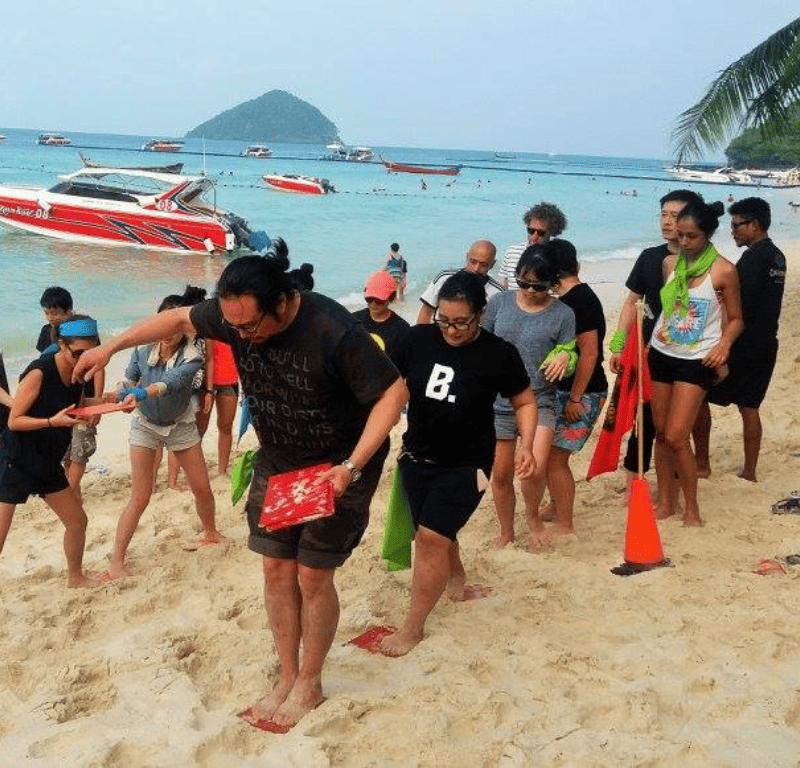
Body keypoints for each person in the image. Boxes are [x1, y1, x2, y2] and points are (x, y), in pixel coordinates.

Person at [73, 240, 407, 729]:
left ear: (285, 302)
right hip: (280, 459)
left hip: (336, 467)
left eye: (251, 326)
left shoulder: (332, 327)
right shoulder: (234, 314)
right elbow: (179, 320)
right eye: (234, 327)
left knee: (313, 575)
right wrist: (110, 347)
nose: (243, 336)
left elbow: (392, 393)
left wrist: (352, 467)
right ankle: (287, 675)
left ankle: (310, 683)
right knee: (276, 569)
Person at [378, 272, 536, 656]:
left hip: (473, 464)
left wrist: (526, 444)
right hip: (417, 456)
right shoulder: (416, 340)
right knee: (431, 531)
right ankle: (457, 580)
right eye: (444, 321)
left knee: (431, 537)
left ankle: (412, 628)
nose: (450, 330)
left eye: (461, 322)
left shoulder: (499, 353)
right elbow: (389, 382)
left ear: (480, 314)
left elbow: (525, 401)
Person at [101, 286, 225, 582]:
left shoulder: (193, 354)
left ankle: (211, 533)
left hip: (181, 426)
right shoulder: (142, 350)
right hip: (145, 425)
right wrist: (120, 394)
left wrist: (138, 393)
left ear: (184, 329)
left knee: (202, 488)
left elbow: (170, 382)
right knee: (140, 496)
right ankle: (116, 562)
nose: (167, 333)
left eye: (174, 327)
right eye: (163, 325)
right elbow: (129, 379)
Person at [648, 200, 743, 526]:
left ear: (708, 235)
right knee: (660, 434)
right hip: (661, 351)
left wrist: (725, 344)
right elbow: (666, 310)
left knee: (676, 436)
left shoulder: (724, 270)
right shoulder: (670, 264)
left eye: (692, 237)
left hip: (696, 358)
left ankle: (692, 507)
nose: (685, 243)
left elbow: (736, 319)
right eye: (681, 235)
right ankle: (666, 502)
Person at [608, 190, 703, 490]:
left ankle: (680, 474)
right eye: (663, 214)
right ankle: (634, 476)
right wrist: (619, 343)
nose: (666, 221)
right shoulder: (649, 257)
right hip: (647, 351)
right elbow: (631, 301)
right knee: (644, 416)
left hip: (688, 353)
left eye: (675, 216)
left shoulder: (703, 263)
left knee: (678, 422)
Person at [0, 316, 103, 587]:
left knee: (78, 522)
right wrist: (51, 422)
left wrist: (110, 402)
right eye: (78, 353)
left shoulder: (79, 373)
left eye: (90, 352)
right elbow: (14, 421)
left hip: (47, 462)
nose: (85, 359)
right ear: (61, 344)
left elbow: (79, 406)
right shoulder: (39, 372)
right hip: (17, 460)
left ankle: (76, 578)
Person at [483, 247, 575, 548]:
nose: (531, 291)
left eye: (539, 286)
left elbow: (571, 353)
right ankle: (506, 530)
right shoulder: (498, 304)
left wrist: (565, 356)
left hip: (540, 400)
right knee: (500, 474)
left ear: (552, 283)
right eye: (524, 283)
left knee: (534, 468)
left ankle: (533, 515)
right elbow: (479, 344)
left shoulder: (563, 314)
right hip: (498, 403)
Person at [693, 197, 786, 482]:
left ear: (754, 225)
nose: (732, 231)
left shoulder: (753, 258)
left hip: (742, 344)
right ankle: (749, 472)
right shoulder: (777, 256)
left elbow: (733, 304)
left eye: (736, 225)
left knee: (698, 397)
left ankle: (702, 464)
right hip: (766, 342)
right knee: (749, 407)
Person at [541, 240, 608, 535]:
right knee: (549, 457)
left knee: (556, 460)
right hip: (566, 389)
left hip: (584, 391)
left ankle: (565, 522)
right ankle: (556, 507)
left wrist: (576, 398)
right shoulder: (569, 298)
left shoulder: (580, 300)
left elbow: (590, 352)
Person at [35, 286, 105, 500]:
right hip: (60, 399)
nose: (50, 317)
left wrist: (99, 405)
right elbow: (44, 366)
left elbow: (100, 365)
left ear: (69, 311)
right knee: (66, 450)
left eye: (55, 312)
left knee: (80, 450)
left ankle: (70, 494)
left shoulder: (83, 327)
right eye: (47, 312)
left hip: (85, 395)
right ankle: (74, 493)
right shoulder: (46, 332)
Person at [416, 240, 503, 325]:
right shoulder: (444, 277)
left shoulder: (497, 293)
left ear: (492, 264)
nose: (476, 268)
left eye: (483, 265)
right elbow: (426, 312)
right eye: (473, 262)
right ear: (467, 257)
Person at [496, 202, 567, 290]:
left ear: (552, 232)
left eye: (541, 233)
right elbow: (503, 285)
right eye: (531, 231)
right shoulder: (512, 252)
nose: (534, 237)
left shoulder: (558, 258)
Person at [352, 270, 411, 365]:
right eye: (369, 299)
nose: (373, 304)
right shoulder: (354, 320)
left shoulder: (402, 329)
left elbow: (403, 367)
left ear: (390, 298)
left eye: (379, 300)